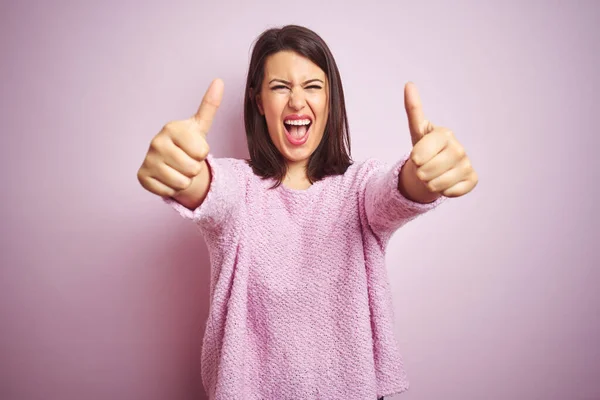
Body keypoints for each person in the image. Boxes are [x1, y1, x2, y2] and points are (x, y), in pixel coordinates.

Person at [137, 24, 478, 400]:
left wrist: (427, 175)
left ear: (330, 100)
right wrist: (181, 171)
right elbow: (210, 189)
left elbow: (395, 194)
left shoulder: (359, 186)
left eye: (312, 87)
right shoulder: (238, 185)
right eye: (280, 87)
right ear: (259, 102)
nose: (297, 102)